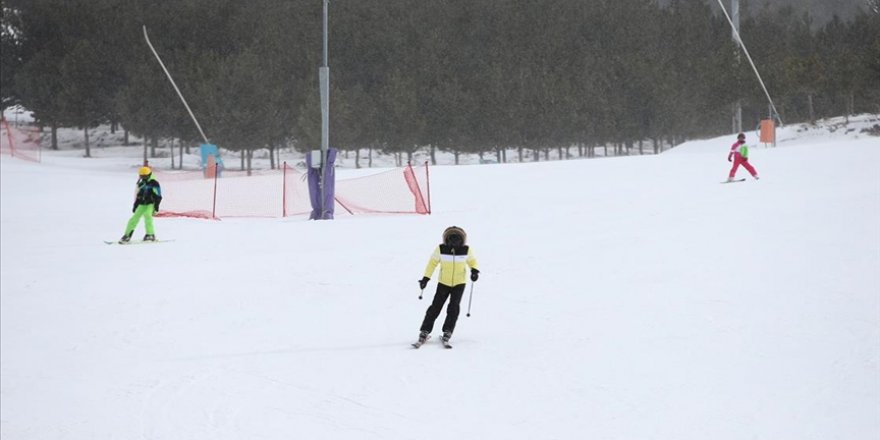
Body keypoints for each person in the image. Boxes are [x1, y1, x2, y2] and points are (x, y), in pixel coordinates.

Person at [416, 226, 479, 345]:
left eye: (457, 238)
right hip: (443, 283)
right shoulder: (441, 249)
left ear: (462, 239)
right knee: (435, 307)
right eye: (451, 238)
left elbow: (472, 261)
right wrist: (426, 278)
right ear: (447, 239)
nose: (454, 241)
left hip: (459, 284)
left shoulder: (466, 250)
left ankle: (448, 331)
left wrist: (475, 271)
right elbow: (432, 264)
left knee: (453, 308)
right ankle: (425, 330)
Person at [120, 166, 162, 243]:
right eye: (142, 176)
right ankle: (127, 235)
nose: (144, 178)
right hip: (142, 204)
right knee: (134, 218)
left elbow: (158, 196)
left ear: (149, 175)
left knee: (147, 215)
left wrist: (156, 207)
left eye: (145, 176)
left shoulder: (154, 183)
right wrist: (135, 205)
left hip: (151, 203)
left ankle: (150, 234)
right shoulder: (141, 183)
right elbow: (138, 196)